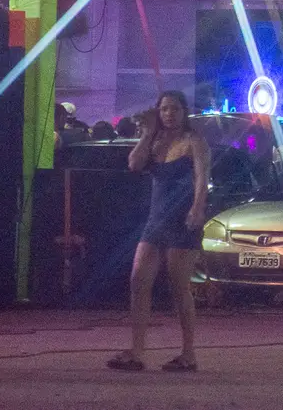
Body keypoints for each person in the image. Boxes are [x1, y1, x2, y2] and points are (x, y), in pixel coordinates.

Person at [108, 90, 210, 372]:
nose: (169, 114)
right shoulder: (156, 141)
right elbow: (134, 164)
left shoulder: (194, 141)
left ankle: (188, 353)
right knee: (138, 280)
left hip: (182, 220)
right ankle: (137, 351)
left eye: (174, 109)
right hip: (156, 221)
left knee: (179, 286)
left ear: (184, 112)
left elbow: (202, 178)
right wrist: (147, 133)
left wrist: (197, 208)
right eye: (164, 109)